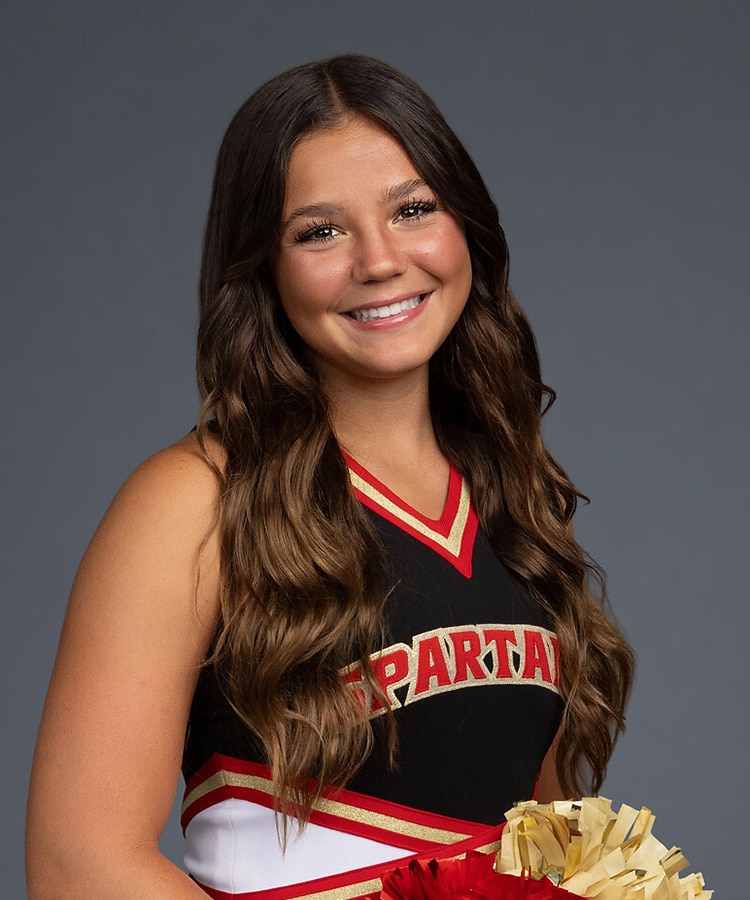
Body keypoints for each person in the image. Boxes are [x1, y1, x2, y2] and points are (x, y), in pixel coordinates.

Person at [26, 55, 634, 899]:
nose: (380, 261)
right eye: (320, 231)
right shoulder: (194, 500)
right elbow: (78, 864)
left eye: (413, 210)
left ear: (467, 228)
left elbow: (540, 855)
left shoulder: (514, 506)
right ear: (263, 269)